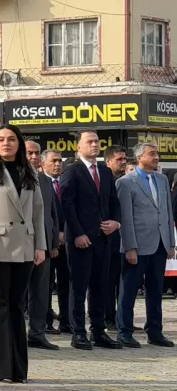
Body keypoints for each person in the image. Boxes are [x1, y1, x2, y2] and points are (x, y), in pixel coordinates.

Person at [0, 125, 45, 383]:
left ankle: (17, 369)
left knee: (16, 305)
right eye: (1, 139)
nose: (6, 143)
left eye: (11, 139)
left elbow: (38, 212)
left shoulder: (30, 172)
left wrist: (40, 246)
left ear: (19, 143)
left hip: (25, 247)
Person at [60, 130, 122, 351]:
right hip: (80, 240)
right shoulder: (72, 171)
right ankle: (78, 333)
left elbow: (114, 202)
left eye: (97, 141)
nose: (95, 145)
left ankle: (98, 331)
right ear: (79, 146)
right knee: (78, 287)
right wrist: (77, 233)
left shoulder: (105, 172)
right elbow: (67, 205)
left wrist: (116, 222)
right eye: (90, 142)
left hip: (103, 239)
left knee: (100, 286)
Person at [116, 142, 175, 348]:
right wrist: (130, 246)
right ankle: (124, 331)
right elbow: (126, 217)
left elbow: (167, 213)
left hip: (159, 244)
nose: (157, 157)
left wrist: (171, 243)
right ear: (140, 157)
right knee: (129, 289)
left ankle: (155, 331)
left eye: (157, 153)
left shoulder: (161, 179)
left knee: (155, 289)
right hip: (137, 246)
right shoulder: (126, 182)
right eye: (152, 154)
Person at [25, 141, 60, 351]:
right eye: (29, 152)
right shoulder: (11, 177)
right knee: (17, 294)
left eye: (37, 153)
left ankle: (37, 334)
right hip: (19, 244)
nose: (33, 156)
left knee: (40, 293)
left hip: (43, 245)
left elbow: (52, 213)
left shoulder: (46, 181)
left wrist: (53, 242)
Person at [43, 150, 69, 334]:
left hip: (67, 241)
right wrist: (55, 235)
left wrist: (66, 233)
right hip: (47, 242)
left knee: (66, 283)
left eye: (60, 161)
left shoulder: (66, 183)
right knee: (45, 284)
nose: (58, 164)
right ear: (43, 163)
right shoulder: (39, 183)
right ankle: (45, 322)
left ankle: (66, 321)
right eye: (54, 161)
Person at [102, 145, 128, 331]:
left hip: (122, 239)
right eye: (119, 159)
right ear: (108, 161)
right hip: (106, 237)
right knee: (106, 281)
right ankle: (106, 318)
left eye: (125, 159)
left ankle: (120, 318)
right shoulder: (104, 180)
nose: (123, 162)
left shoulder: (125, 181)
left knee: (120, 281)